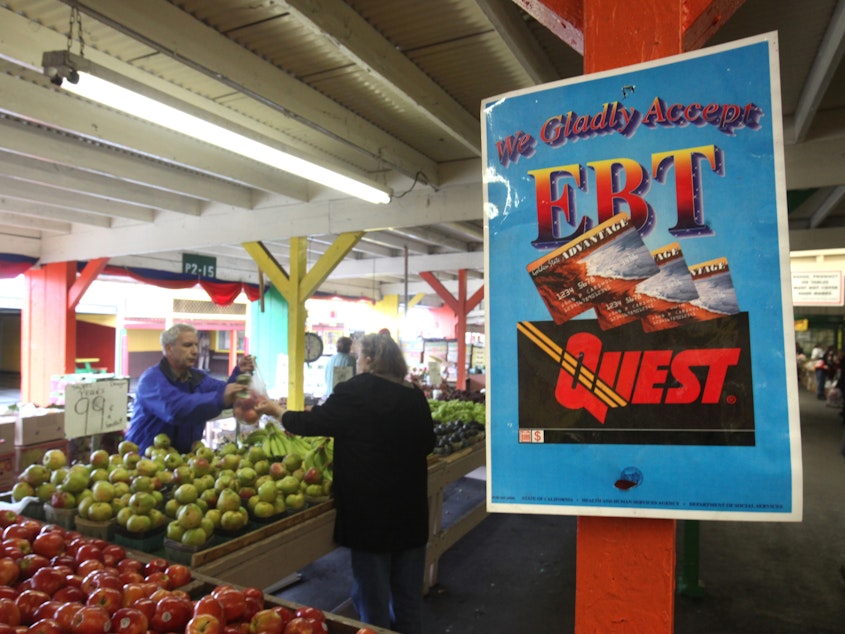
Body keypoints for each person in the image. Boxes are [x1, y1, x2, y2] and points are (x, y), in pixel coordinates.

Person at [256, 331, 435, 634]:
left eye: (357, 355)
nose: (356, 361)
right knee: (407, 600)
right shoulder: (413, 395)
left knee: (372, 599)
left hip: (370, 514)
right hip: (410, 509)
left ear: (369, 359)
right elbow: (428, 443)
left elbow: (312, 424)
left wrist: (276, 410)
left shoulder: (355, 390)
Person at [126, 323, 254, 453]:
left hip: (183, 464)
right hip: (143, 461)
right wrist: (220, 398)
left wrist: (239, 373)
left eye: (196, 345)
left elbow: (224, 391)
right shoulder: (151, 380)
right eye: (187, 345)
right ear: (169, 348)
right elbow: (175, 409)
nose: (195, 351)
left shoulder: (198, 378)